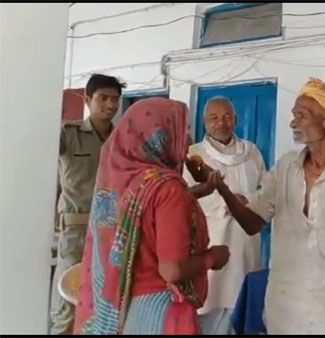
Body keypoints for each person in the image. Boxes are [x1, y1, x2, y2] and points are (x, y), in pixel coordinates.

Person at [209, 78, 325, 334]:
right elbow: (253, 223)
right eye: (293, 115)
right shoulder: (285, 168)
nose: (293, 123)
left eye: (302, 115)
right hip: (285, 308)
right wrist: (221, 188)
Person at [72, 98, 230, 335]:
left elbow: (147, 214)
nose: (186, 140)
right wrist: (212, 258)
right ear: (160, 136)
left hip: (118, 311)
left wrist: (199, 190)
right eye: (181, 130)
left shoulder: (118, 182)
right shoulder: (168, 187)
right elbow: (172, 270)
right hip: (160, 313)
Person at [182, 96, 267, 334]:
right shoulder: (193, 156)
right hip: (212, 241)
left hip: (244, 242)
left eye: (227, 117)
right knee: (210, 306)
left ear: (236, 120)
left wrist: (247, 202)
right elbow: (183, 198)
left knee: (242, 304)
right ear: (204, 121)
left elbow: (268, 191)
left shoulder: (251, 153)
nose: (222, 122)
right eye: (214, 117)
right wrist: (224, 204)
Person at [50, 74, 124, 334]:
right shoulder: (67, 135)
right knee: (67, 305)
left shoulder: (123, 141)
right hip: (75, 231)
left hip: (111, 232)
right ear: (87, 99)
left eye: (115, 99)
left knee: (105, 304)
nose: (110, 104)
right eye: (103, 98)